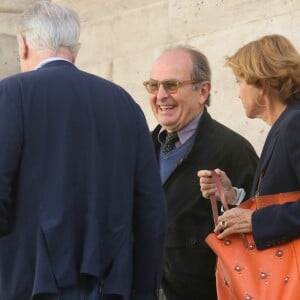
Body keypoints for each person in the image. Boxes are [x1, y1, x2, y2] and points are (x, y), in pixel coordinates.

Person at [0, 2, 166, 300]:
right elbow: (150, 212)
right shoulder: (125, 104)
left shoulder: (12, 94)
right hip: (111, 288)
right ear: (75, 48)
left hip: (27, 286)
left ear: (23, 45)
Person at [143, 45, 258, 300]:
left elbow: (260, 223)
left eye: (171, 85)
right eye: (153, 86)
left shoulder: (234, 150)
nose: (160, 96)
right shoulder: (137, 150)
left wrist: (232, 197)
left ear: (203, 91)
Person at [198, 34, 300, 250]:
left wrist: (255, 221)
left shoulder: (294, 124)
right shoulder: (284, 126)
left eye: (239, 81)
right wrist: (232, 197)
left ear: (261, 83)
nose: (237, 94)